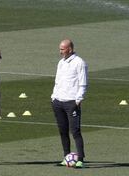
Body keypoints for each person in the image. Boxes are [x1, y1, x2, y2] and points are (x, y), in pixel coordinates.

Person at [51, 39, 88, 168]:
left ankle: (81, 159)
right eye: (60, 49)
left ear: (70, 49)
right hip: (58, 102)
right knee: (63, 131)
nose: (60, 51)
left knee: (75, 131)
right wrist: (54, 97)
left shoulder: (79, 63)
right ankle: (66, 157)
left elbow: (83, 83)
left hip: (71, 102)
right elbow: (58, 81)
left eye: (62, 49)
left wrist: (78, 100)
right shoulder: (61, 63)